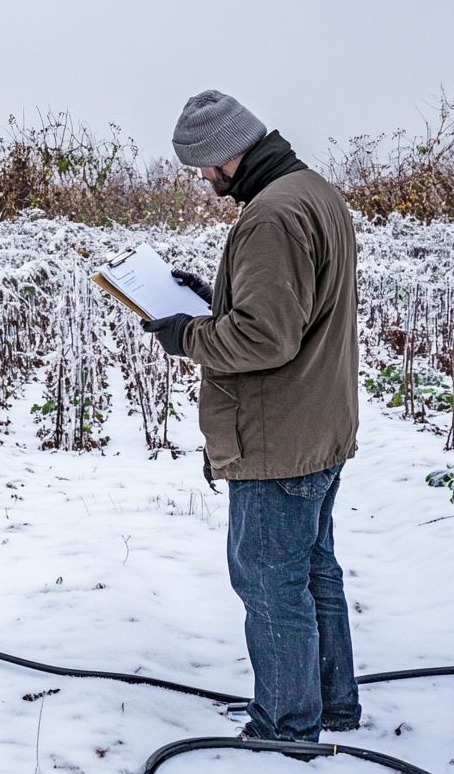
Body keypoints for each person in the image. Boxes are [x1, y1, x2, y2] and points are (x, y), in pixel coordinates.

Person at [142, 90, 362, 744]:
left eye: (206, 166)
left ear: (231, 154)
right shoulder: (313, 192)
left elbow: (267, 340)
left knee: (269, 584)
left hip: (278, 435)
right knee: (312, 570)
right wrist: (216, 303)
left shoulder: (269, 218)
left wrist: (188, 336)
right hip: (318, 426)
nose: (206, 181)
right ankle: (332, 706)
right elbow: (293, 305)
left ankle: (287, 729)